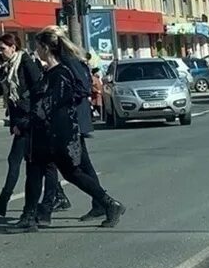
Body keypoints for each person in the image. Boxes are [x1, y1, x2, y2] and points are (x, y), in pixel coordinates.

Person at [11, 29, 125, 231]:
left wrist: (25, 122)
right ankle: (29, 216)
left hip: (59, 135)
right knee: (35, 172)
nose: (36, 51)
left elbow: (48, 106)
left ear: (46, 48)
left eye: (38, 47)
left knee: (73, 173)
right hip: (45, 134)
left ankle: (109, 204)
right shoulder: (50, 73)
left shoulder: (61, 74)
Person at [0, 33, 38, 218]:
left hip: (29, 120)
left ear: (14, 47)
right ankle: (54, 197)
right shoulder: (7, 67)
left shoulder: (26, 62)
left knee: (20, 161)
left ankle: (4, 201)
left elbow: (36, 90)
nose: (1, 51)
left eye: (3, 48)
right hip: (20, 119)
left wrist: (24, 121)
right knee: (37, 163)